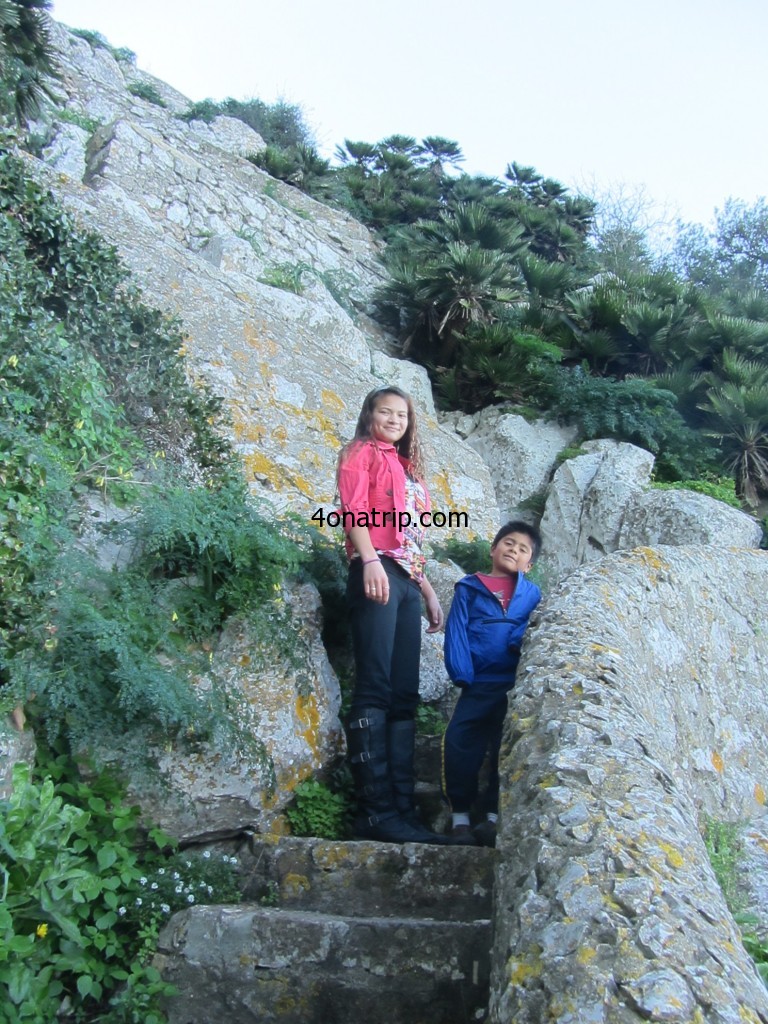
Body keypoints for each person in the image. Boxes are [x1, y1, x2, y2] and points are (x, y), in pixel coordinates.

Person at [337, 386, 449, 844]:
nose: (395, 419)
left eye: (402, 414)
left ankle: (403, 811)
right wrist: (367, 561)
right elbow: (352, 510)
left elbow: (411, 540)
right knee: (377, 685)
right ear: (370, 415)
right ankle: (376, 811)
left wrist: (426, 589)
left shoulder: (406, 467)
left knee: (404, 691)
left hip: (404, 579)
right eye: (386, 411)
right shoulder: (360, 452)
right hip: (375, 569)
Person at [442, 521, 542, 847]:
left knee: (505, 747)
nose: (513, 549)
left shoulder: (532, 594)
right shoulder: (469, 588)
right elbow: (456, 630)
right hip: (477, 682)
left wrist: (515, 639)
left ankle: (492, 817)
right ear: (493, 549)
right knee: (460, 742)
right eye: (508, 543)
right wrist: (461, 670)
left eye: (522, 549)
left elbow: (532, 625)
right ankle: (459, 817)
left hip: (514, 686)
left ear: (529, 564)